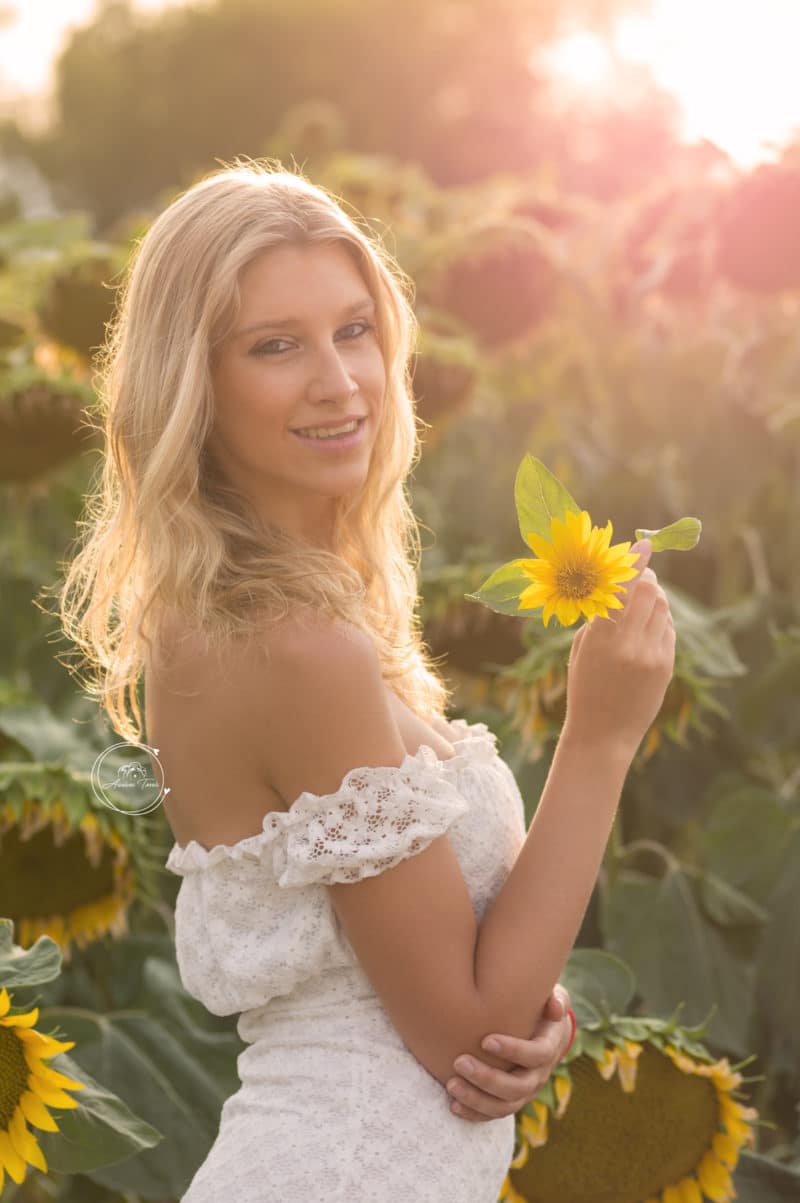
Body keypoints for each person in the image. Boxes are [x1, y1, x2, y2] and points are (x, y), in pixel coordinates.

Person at [56, 158, 675, 1200]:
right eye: (274, 346)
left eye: (353, 329)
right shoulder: (296, 647)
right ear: (193, 383)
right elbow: (461, 1036)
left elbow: (408, 978)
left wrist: (534, 1003)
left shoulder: (227, 615)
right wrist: (601, 734)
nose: (339, 379)